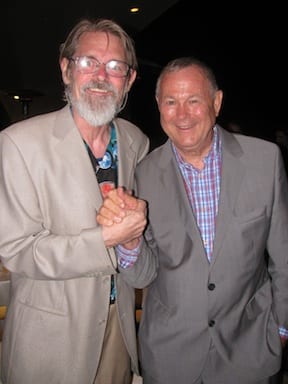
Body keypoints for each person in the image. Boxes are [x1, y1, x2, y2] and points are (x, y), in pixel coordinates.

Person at [96, 57, 288, 384]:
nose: (182, 114)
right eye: (170, 102)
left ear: (216, 102)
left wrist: (281, 328)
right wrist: (130, 242)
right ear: (158, 105)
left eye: (193, 101)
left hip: (249, 353)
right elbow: (144, 274)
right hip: (170, 360)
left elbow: (284, 258)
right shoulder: (144, 173)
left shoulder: (264, 161)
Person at [0, 18, 150, 384]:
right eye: (88, 62)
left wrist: (131, 242)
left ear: (129, 80)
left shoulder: (137, 142)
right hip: (49, 340)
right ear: (67, 69)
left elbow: (141, 245)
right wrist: (104, 241)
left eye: (115, 67)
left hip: (119, 332)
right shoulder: (19, 143)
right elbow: (17, 251)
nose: (101, 75)